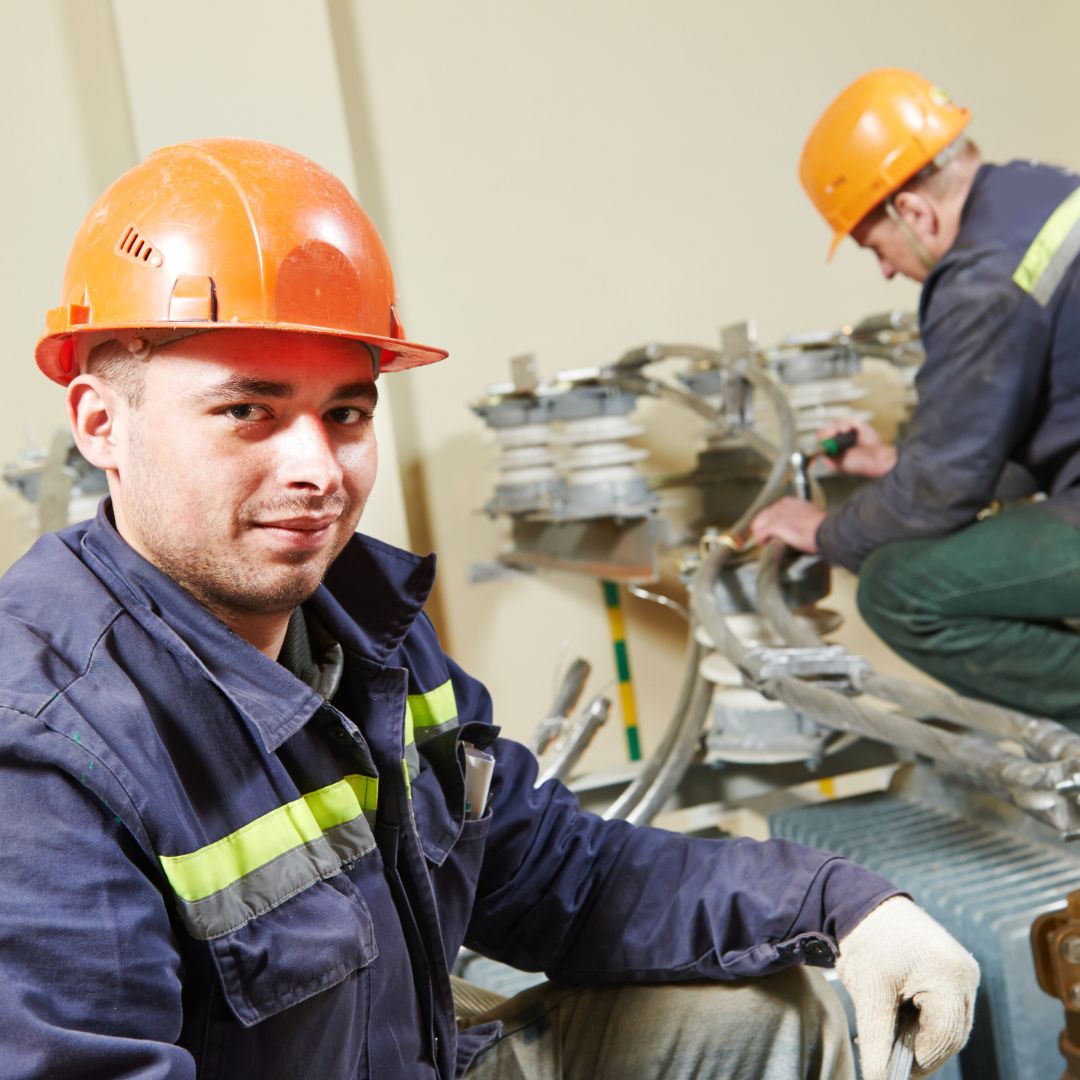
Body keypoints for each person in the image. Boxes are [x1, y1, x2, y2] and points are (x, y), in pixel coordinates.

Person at [0, 137, 977, 1080]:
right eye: (246, 411)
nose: (315, 469)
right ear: (101, 425)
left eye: (345, 412)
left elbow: (561, 873)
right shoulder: (47, 755)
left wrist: (843, 902)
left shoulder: (361, 628)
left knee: (780, 1020)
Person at [751, 67, 1080, 722]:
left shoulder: (983, 279)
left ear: (914, 211)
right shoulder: (1042, 195)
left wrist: (826, 530)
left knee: (899, 587)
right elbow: (1043, 411)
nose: (885, 270)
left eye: (876, 247)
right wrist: (895, 466)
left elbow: (945, 489)